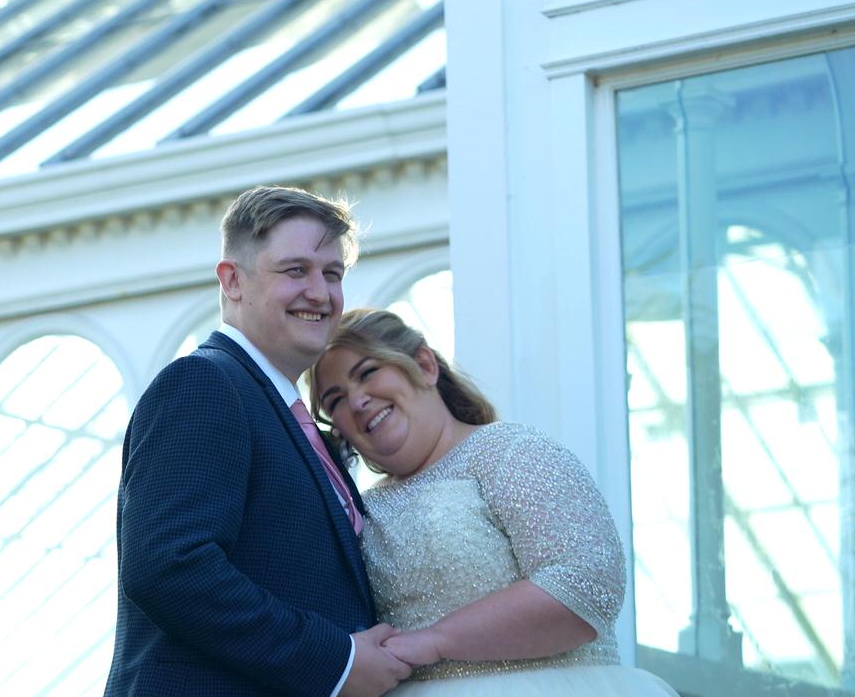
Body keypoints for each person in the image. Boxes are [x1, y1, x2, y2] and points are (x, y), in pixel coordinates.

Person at [105, 186, 413, 697]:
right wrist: (336, 661)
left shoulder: (295, 421)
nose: (320, 293)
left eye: (332, 274)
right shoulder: (203, 383)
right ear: (232, 280)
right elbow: (169, 566)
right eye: (295, 271)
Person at [308, 309, 679, 695]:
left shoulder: (509, 451)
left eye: (368, 373)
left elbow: (587, 585)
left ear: (425, 365)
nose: (357, 401)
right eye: (336, 400)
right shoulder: (358, 512)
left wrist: (435, 641)